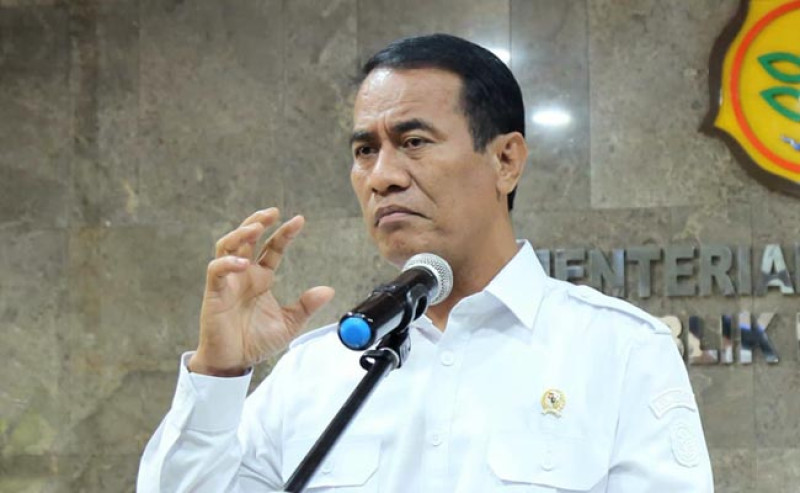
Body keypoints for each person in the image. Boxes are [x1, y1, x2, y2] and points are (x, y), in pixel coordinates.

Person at [138, 34, 713, 492]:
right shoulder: (317, 372)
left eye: (413, 141)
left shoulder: (620, 351)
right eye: (365, 150)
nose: (382, 176)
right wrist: (219, 372)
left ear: (506, 160)